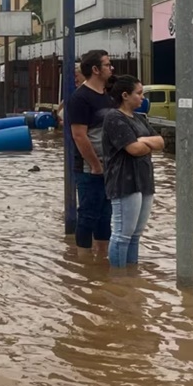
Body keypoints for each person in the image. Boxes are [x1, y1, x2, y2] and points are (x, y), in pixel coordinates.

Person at [103, 76, 164, 268]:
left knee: (135, 235)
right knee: (122, 234)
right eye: (139, 93)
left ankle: (131, 276)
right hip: (124, 181)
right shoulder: (114, 117)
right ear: (125, 96)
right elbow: (133, 150)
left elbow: (161, 142)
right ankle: (118, 278)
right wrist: (146, 143)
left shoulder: (138, 119)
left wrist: (142, 141)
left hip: (144, 180)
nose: (142, 98)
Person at [66, 50, 114, 258]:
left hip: (110, 168)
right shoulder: (80, 98)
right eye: (107, 64)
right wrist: (95, 165)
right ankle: (84, 262)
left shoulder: (108, 96)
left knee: (106, 216)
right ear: (95, 70)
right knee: (88, 215)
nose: (111, 68)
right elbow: (79, 136)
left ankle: (101, 258)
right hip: (89, 169)